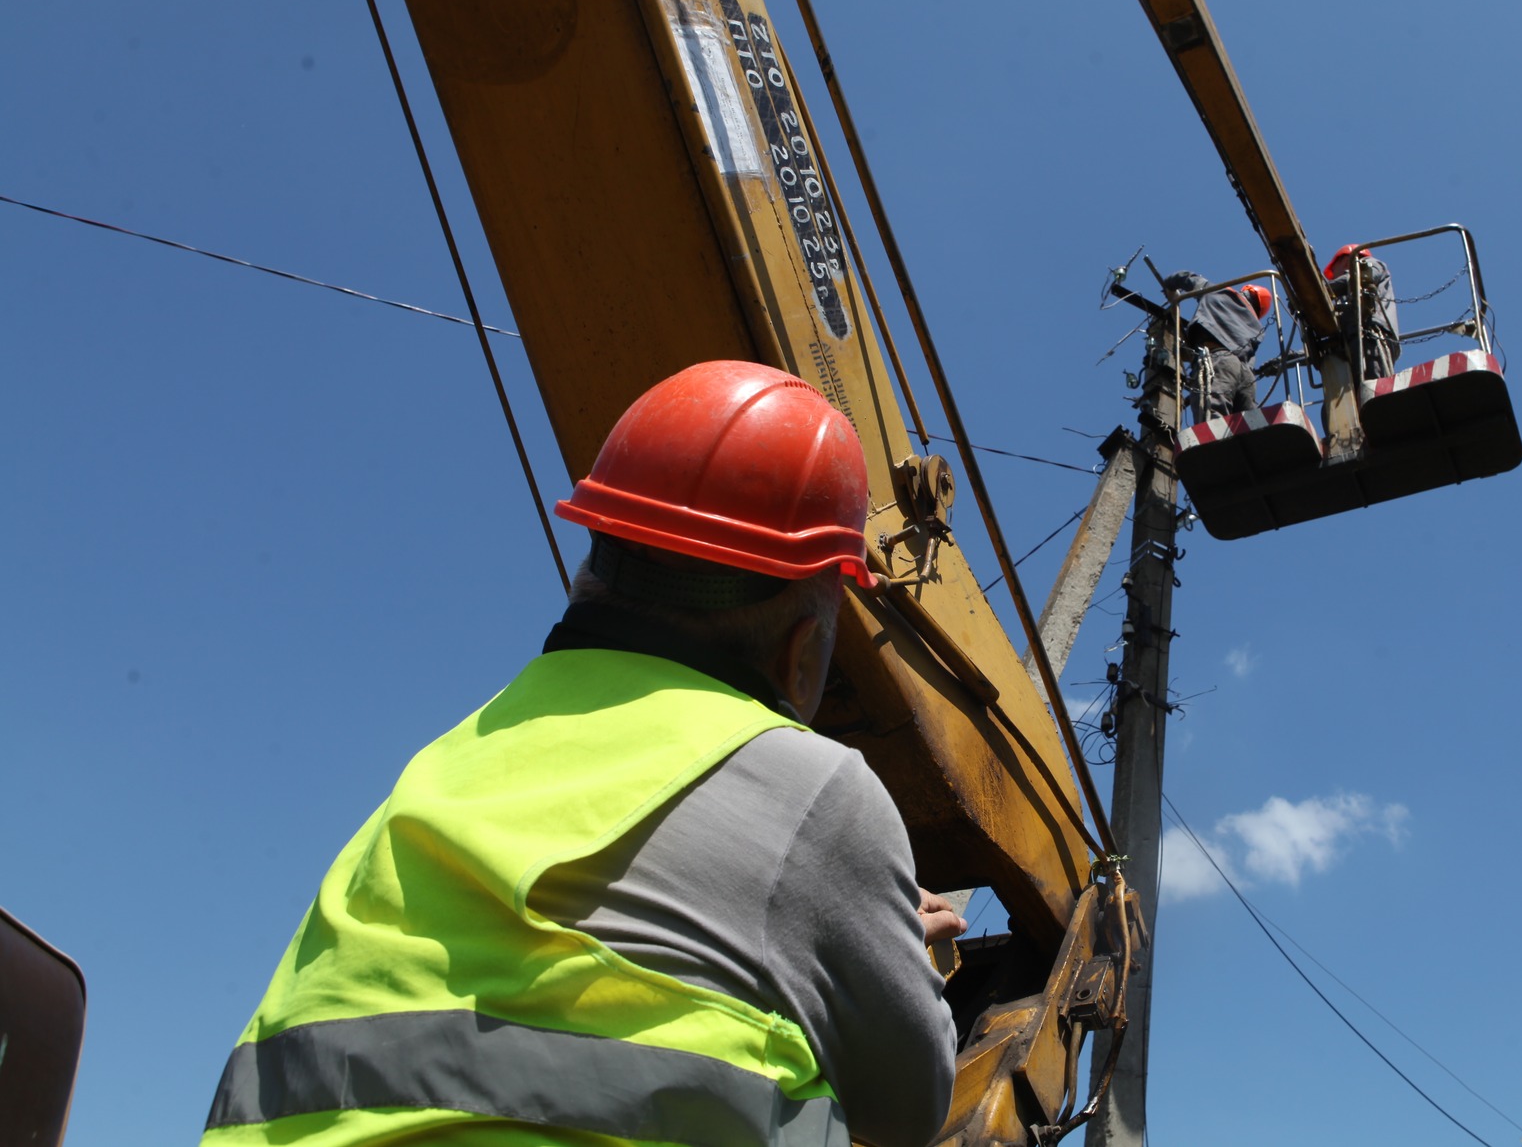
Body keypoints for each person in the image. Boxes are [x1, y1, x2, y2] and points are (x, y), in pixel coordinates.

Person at [200, 361, 967, 1147]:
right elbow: (910, 1105)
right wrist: (907, 954)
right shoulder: (817, 786)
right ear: (804, 646)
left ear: (591, 568)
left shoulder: (444, 762)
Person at [1163, 271, 1273, 419]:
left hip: (1219, 361)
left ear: (1245, 290)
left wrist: (1170, 289)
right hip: (1247, 376)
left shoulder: (1219, 291)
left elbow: (1186, 278)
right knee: (1247, 429)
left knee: (1212, 420)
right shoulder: (1256, 325)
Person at [1322, 243, 1400, 380]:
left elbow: (1354, 279)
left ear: (1345, 262)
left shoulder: (1371, 264)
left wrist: (1315, 292)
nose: (1333, 278)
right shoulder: (1345, 300)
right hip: (1354, 339)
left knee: (1373, 387)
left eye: (1334, 274)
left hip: (1372, 335)